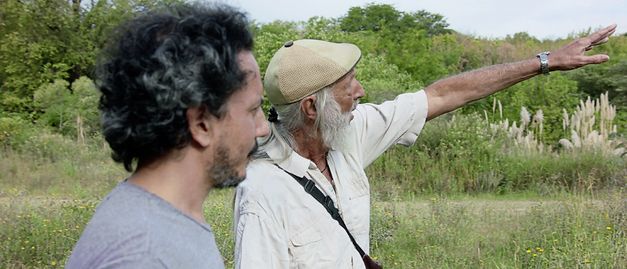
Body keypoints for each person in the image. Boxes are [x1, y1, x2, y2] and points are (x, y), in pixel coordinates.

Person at [233, 25, 617, 268]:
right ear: (312, 107)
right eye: (349, 86)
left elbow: (442, 95)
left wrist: (544, 62)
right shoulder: (261, 193)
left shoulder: (348, 132)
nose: (361, 92)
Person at [66, 3, 268, 268]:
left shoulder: (168, 220)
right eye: (253, 110)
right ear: (201, 123)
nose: (262, 128)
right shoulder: (143, 254)